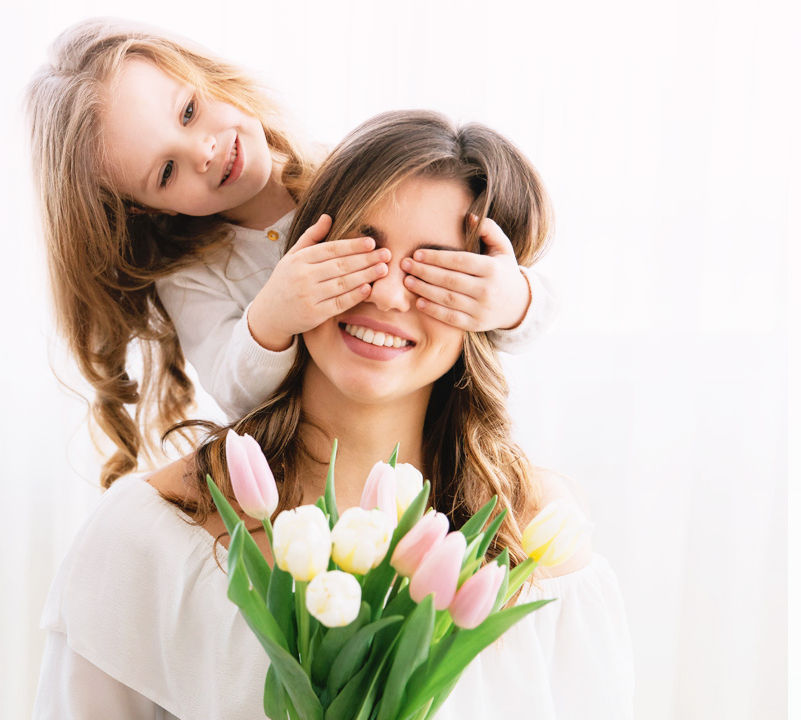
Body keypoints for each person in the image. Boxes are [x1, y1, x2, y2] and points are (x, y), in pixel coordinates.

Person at [33, 111, 633, 719]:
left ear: (487, 301)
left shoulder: (535, 541)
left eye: (436, 270)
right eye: (360, 251)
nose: (387, 294)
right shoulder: (152, 535)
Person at [24, 18, 559, 489]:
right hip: (301, 477)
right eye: (165, 172)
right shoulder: (193, 275)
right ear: (144, 209)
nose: (203, 152)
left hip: (426, 445)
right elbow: (236, 390)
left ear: (211, 75)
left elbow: (531, 303)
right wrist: (274, 316)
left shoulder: (349, 172)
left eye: (189, 110)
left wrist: (513, 300)